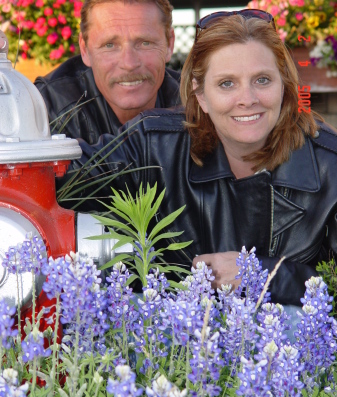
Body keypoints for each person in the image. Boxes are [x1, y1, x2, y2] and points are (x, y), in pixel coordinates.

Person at [74, 9, 337, 307]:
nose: (247, 99)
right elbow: (62, 176)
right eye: (227, 83)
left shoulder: (330, 165)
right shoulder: (153, 145)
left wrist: (262, 276)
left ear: (284, 85)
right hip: (176, 347)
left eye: (262, 80)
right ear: (200, 95)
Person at [34, 0, 180, 144]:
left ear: (169, 44)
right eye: (109, 45)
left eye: (145, 43)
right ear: (85, 50)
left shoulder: (196, 103)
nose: (129, 64)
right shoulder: (49, 108)